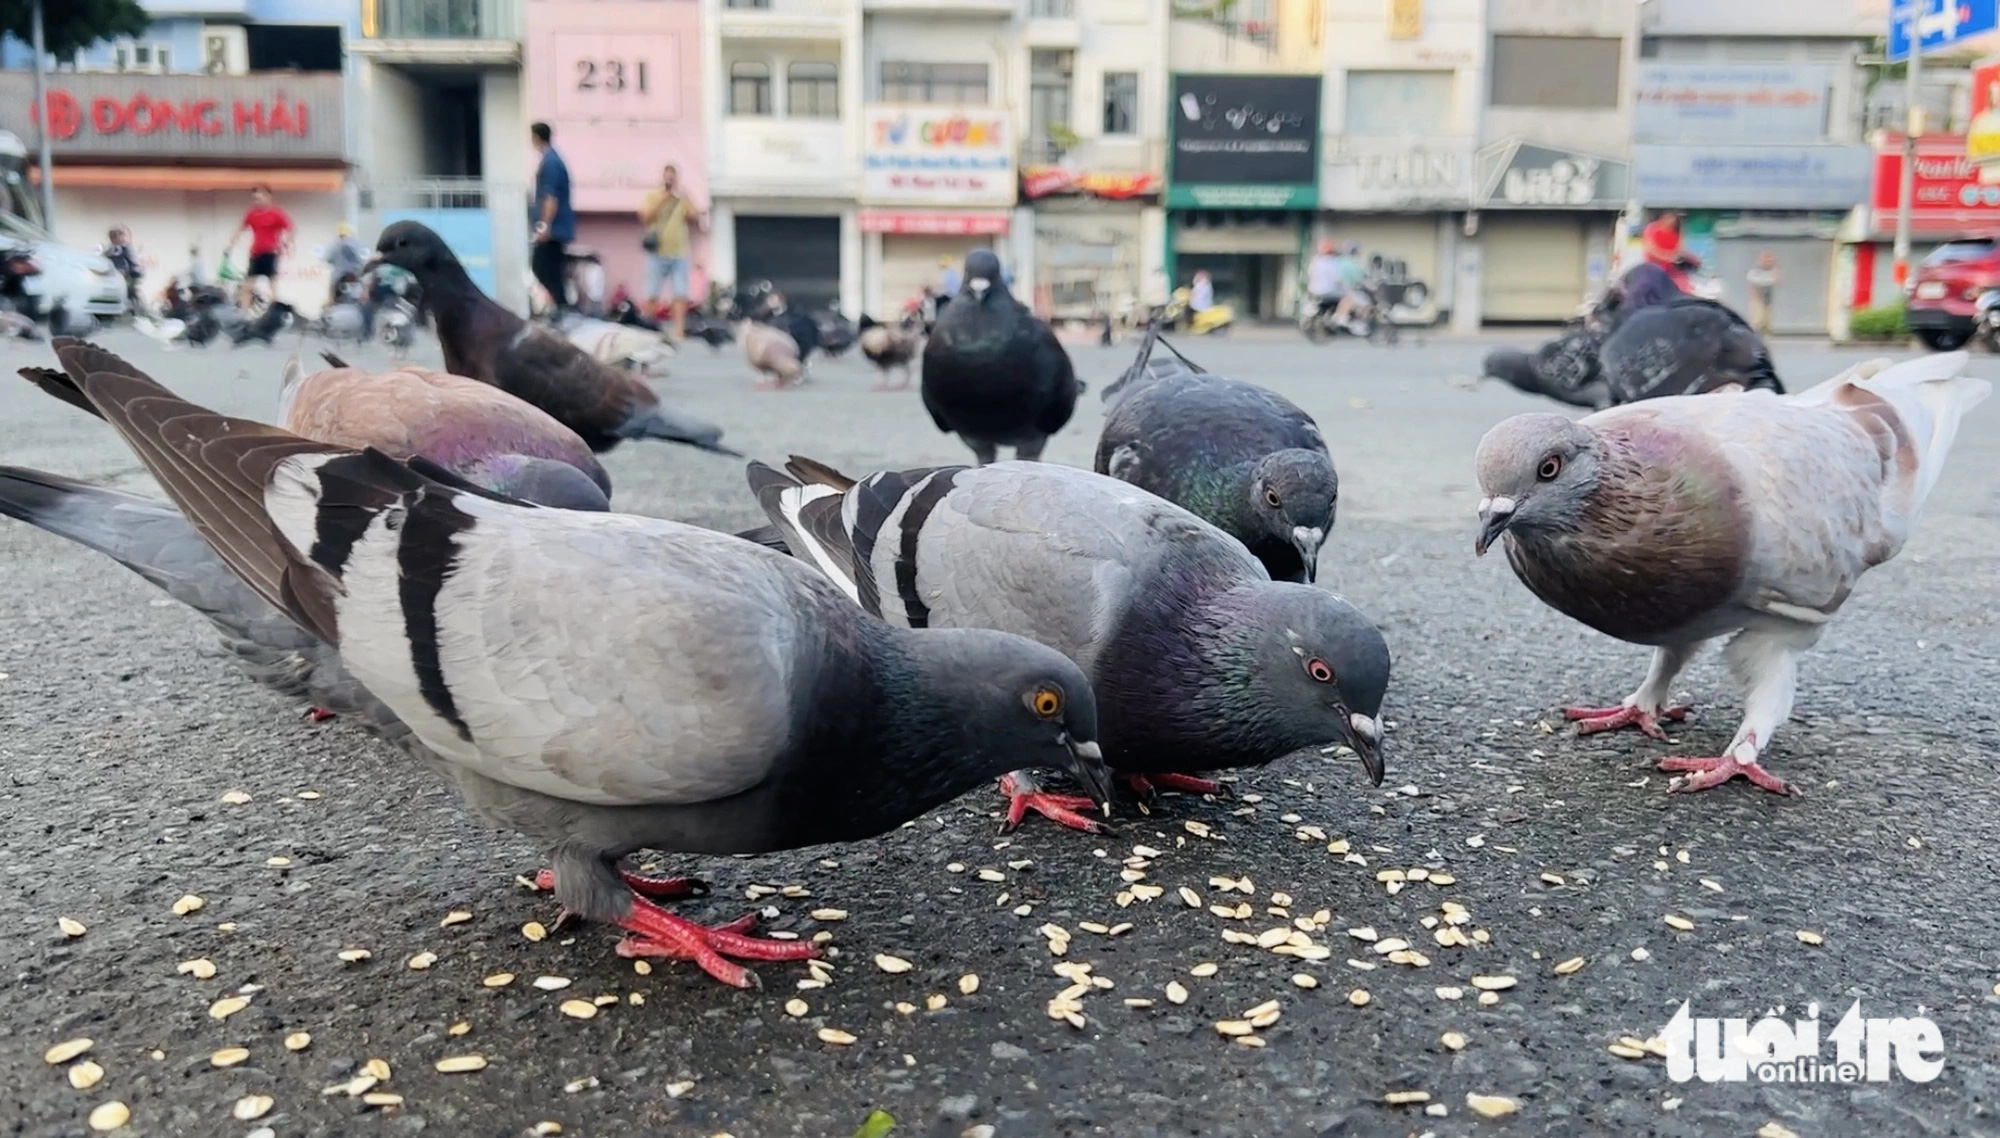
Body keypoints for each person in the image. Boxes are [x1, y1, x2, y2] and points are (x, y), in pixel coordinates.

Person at [637, 163, 706, 340]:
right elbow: (645, 217)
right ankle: (649, 327)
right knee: (652, 292)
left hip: (679, 252)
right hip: (657, 252)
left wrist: (684, 196)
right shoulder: (653, 195)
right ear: (662, 177)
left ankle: (678, 330)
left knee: (681, 293)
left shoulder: (681, 198)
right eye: (667, 176)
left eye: (673, 176)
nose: (670, 179)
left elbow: (695, 216)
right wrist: (664, 198)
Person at [529, 121, 576, 318]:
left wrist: (544, 226)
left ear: (536, 137)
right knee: (552, 268)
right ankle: (560, 308)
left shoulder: (550, 163)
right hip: (558, 227)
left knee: (542, 265)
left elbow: (551, 198)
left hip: (554, 228)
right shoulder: (553, 159)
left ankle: (562, 308)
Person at [225, 184, 293, 309]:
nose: (257, 200)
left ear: (268, 197)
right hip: (256, 254)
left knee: (272, 285)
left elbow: (289, 229)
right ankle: (242, 315)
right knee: (247, 286)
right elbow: (240, 229)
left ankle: (273, 313)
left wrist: (286, 243)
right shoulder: (252, 214)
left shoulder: (276, 214)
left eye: (259, 197)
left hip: (270, 253)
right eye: (255, 198)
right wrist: (231, 244)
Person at [1641, 211, 1699, 293]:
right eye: (1669, 218)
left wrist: (1689, 258)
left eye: (1673, 220)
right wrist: (1669, 257)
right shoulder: (1652, 228)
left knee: (1684, 287)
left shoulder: (1675, 232)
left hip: (1672, 269)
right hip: (1655, 268)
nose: (1670, 222)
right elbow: (1651, 250)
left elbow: (1679, 250)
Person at [324, 222, 367, 305]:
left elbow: (328, 259)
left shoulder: (335, 244)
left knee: (333, 303)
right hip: (355, 277)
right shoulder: (356, 243)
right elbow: (361, 260)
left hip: (337, 278)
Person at [104, 226, 141, 312]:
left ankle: (133, 306)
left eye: (117, 236)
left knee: (129, 289)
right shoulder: (111, 249)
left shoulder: (125, 248)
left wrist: (135, 267)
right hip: (113, 273)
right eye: (113, 237)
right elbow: (105, 257)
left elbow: (131, 260)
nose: (115, 239)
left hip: (124, 272)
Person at [1745, 251, 1779, 335]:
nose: (1768, 262)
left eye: (1770, 261)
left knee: (1766, 325)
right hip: (1757, 301)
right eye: (1766, 260)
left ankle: (1765, 342)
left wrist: (1777, 269)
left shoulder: (1772, 271)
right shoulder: (1755, 271)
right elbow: (1754, 283)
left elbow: (1775, 282)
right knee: (1758, 323)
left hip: (1767, 301)